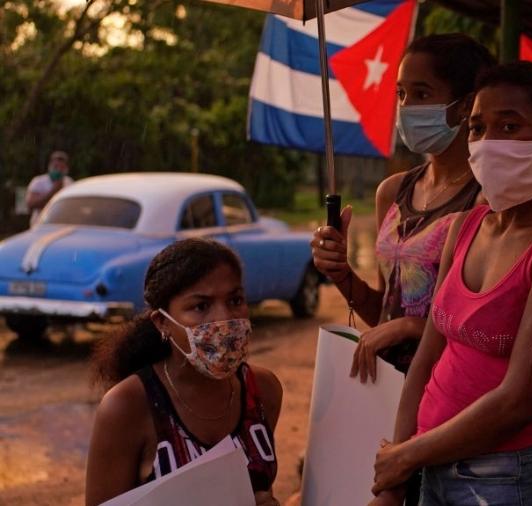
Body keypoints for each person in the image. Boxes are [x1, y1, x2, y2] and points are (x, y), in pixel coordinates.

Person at [369, 61, 532, 506]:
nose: (488, 142)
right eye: (478, 128)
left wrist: (406, 457)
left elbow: (520, 399)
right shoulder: (467, 226)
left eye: (509, 126)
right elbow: (427, 359)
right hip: (434, 467)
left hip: (509, 478)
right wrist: (396, 477)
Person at [311, 34, 494, 381]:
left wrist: (414, 327)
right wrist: (340, 273)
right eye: (401, 93)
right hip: (388, 386)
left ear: (465, 105)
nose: (407, 106)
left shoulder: (485, 200)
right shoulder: (393, 192)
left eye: (422, 93)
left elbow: (490, 334)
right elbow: (384, 314)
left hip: (450, 390)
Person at [85, 239, 283, 506]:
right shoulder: (127, 406)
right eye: (201, 307)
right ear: (162, 322)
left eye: (235, 300)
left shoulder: (262, 390)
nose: (223, 319)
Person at [26, 150, 73, 226]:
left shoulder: (69, 182)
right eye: (55, 167)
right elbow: (31, 204)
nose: (58, 170)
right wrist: (54, 190)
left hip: (62, 225)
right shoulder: (38, 181)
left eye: (61, 167)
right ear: (50, 166)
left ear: (66, 169)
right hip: (40, 225)